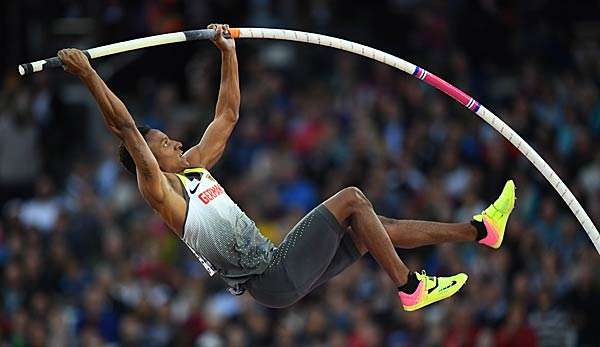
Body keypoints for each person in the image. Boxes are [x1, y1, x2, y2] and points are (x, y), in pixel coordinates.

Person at [57, 23, 516, 311]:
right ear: (148, 159)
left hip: (280, 273)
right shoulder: (161, 192)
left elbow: (227, 116)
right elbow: (125, 127)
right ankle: (410, 286)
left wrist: (228, 53)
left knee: (371, 224)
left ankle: (479, 231)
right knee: (352, 198)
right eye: (162, 143)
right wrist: (89, 75)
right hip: (270, 276)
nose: (175, 141)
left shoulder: (193, 168)